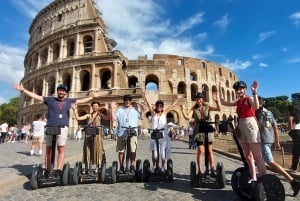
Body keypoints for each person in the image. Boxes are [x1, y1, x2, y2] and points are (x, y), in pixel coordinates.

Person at [14, 83, 99, 174]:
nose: (61, 92)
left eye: (63, 90)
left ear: (65, 92)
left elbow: (82, 101)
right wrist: (24, 90)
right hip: (51, 126)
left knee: (61, 148)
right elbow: (36, 96)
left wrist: (92, 97)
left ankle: (58, 169)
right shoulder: (50, 100)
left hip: (63, 127)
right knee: (48, 149)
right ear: (57, 91)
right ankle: (47, 169)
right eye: (60, 90)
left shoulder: (69, 101)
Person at [219, 80, 266, 182]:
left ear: (244, 89)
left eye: (240, 89)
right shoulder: (238, 101)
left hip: (250, 125)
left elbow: (256, 106)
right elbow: (223, 102)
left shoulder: (249, 99)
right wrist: (220, 88)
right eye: (237, 90)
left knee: (257, 156)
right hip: (241, 127)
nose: (239, 91)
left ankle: (263, 178)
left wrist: (254, 92)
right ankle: (253, 177)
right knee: (248, 156)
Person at [256, 96, 300, 196]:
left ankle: (293, 181)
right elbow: (275, 127)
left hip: (263, 139)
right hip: (268, 139)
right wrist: (277, 141)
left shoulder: (258, 112)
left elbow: (261, 127)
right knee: (260, 159)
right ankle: (261, 176)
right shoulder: (269, 112)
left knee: (269, 161)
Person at [179, 92, 221, 176]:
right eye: (197, 99)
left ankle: (212, 169)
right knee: (200, 150)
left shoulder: (207, 107)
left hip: (208, 129)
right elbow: (187, 117)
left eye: (200, 99)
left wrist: (216, 101)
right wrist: (182, 110)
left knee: (209, 151)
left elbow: (218, 109)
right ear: (196, 100)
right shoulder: (194, 109)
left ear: (202, 99)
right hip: (199, 131)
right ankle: (200, 170)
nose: (199, 100)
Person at [142, 88, 180, 172]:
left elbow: (172, 106)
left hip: (163, 135)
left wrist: (177, 99)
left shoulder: (165, 112)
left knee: (163, 153)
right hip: (154, 134)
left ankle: (162, 166)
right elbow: (148, 103)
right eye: (158, 106)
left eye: (161, 106)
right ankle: (154, 166)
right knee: (154, 153)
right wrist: (145, 95)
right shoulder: (153, 113)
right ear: (156, 106)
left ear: (162, 107)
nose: (159, 107)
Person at [72, 101, 112, 173]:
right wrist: (74, 110)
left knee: (97, 149)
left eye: (96, 106)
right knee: (87, 149)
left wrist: (107, 109)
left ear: (98, 107)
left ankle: (97, 167)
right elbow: (78, 118)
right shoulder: (88, 115)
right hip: (88, 134)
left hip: (97, 134)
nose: (95, 107)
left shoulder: (100, 114)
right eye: (94, 106)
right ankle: (87, 167)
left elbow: (108, 118)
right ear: (92, 107)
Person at [111, 94, 144, 173]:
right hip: (121, 132)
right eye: (126, 100)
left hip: (133, 132)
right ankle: (122, 166)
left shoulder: (135, 110)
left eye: (129, 100)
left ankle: (132, 165)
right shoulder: (120, 110)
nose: (127, 101)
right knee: (121, 151)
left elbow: (142, 117)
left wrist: (142, 108)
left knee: (133, 150)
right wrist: (112, 109)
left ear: (131, 101)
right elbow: (114, 119)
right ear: (124, 101)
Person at [287, 104, 300, 173]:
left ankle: (293, 168)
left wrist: (289, 131)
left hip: (296, 133)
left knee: (295, 152)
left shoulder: (291, 117)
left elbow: (290, 128)